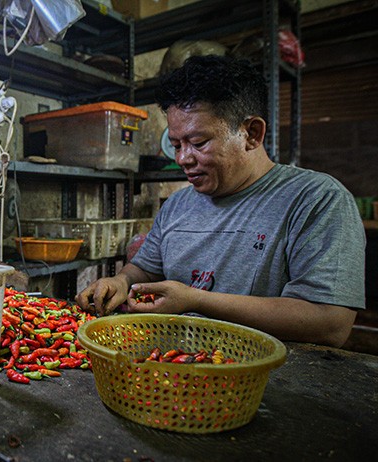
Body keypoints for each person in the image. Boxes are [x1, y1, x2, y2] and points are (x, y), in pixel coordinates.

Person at [75, 55, 365, 348]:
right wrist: (121, 282)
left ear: (251, 134)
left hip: (264, 381)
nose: (183, 159)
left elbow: (330, 323)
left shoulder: (316, 199)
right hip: (170, 371)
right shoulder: (177, 205)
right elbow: (145, 268)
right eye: (176, 145)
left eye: (199, 143)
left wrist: (197, 301)